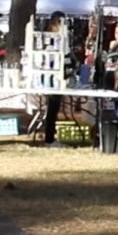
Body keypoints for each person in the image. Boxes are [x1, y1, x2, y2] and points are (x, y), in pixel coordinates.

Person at [38, 12, 79, 147]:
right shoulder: (52, 38)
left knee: (53, 108)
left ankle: (50, 137)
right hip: (53, 77)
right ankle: (49, 138)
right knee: (52, 108)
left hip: (59, 76)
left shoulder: (61, 37)